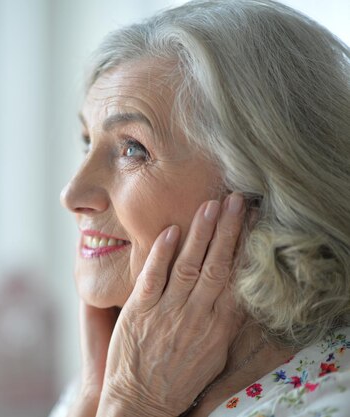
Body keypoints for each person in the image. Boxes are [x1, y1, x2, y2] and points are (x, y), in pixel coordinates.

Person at [51, 1, 350, 416]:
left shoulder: (331, 403)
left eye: (132, 149)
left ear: (258, 188)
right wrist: (93, 400)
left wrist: (134, 406)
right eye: (87, 143)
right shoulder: (111, 377)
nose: (72, 193)